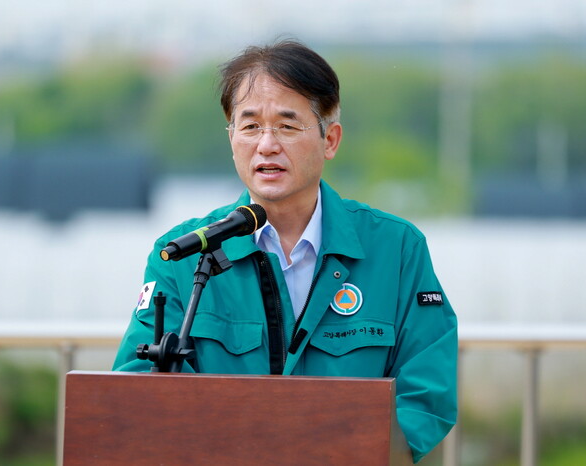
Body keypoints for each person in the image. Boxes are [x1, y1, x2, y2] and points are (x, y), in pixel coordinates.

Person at [113, 39, 457, 463]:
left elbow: (426, 391)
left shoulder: (396, 248)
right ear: (231, 138)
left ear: (330, 140)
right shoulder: (185, 255)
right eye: (250, 126)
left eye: (287, 126)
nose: (266, 145)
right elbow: (139, 382)